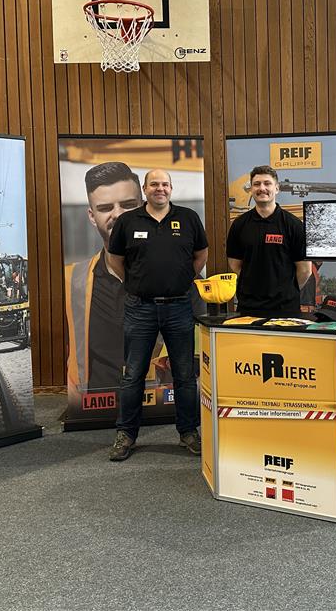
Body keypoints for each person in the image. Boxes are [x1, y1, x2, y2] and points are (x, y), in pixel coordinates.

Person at [106, 168, 208, 461]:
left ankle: (188, 432)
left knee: (185, 375)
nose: (160, 188)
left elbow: (201, 254)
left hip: (179, 306)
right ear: (144, 189)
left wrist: (183, 278)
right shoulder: (128, 221)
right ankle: (126, 434)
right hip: (140, 308)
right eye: (154, 184)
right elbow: (115, 259)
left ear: (171, 188)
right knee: (133, 375)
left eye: (164, 184)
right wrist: (135, 282)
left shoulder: (188, 218)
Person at [64, 162, 143, 411]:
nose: (117, 214)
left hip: (161, 414)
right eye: (106, 208)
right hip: (92, 415)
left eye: (128, 205)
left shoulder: (180, 277)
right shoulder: (70, 281)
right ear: (92, 216)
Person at [226, 165, 311, 316]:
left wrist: (285, 291)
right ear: (251, 189)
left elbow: (305, 270)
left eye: (267, 183)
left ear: (277, 188)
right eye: (256, 184)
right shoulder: (239, 225)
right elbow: (235, 265)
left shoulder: (293, 225)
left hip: (285, 310)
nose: (262, 188)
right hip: (248, 308)